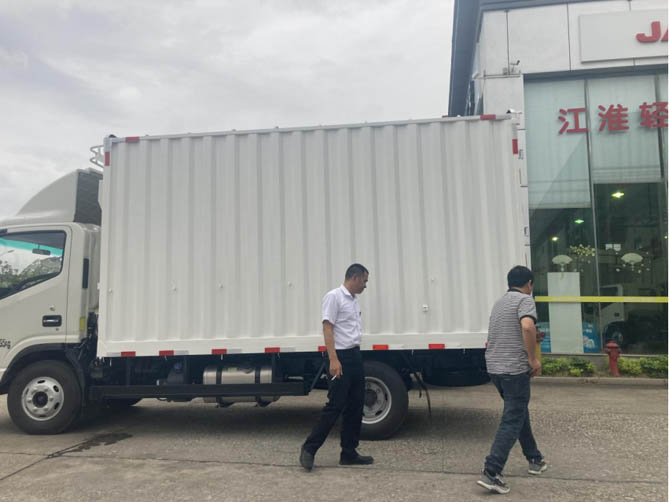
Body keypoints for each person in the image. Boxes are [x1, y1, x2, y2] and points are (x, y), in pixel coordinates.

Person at [477, 265, 548, 494]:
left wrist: (531, 339)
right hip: (513, 370)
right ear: (529, 284)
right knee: (512, 419)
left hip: (495, 368)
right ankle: (492, 472)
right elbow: (527, 326)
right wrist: (533, 359)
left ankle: (535, 459)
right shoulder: (525, 300)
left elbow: (512, 331)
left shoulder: (500, 303)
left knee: (518, 413)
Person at [299, 263, 374, 471]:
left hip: (354, 356)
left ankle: (348, 453)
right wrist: (333, 359)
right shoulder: (334, 297)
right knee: (335, 406)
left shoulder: (353, 301)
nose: (365, 285)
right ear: (355, 277)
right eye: (365, 281)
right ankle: (309, 449)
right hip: (340, 357)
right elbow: (327, 328)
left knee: (355, 406)